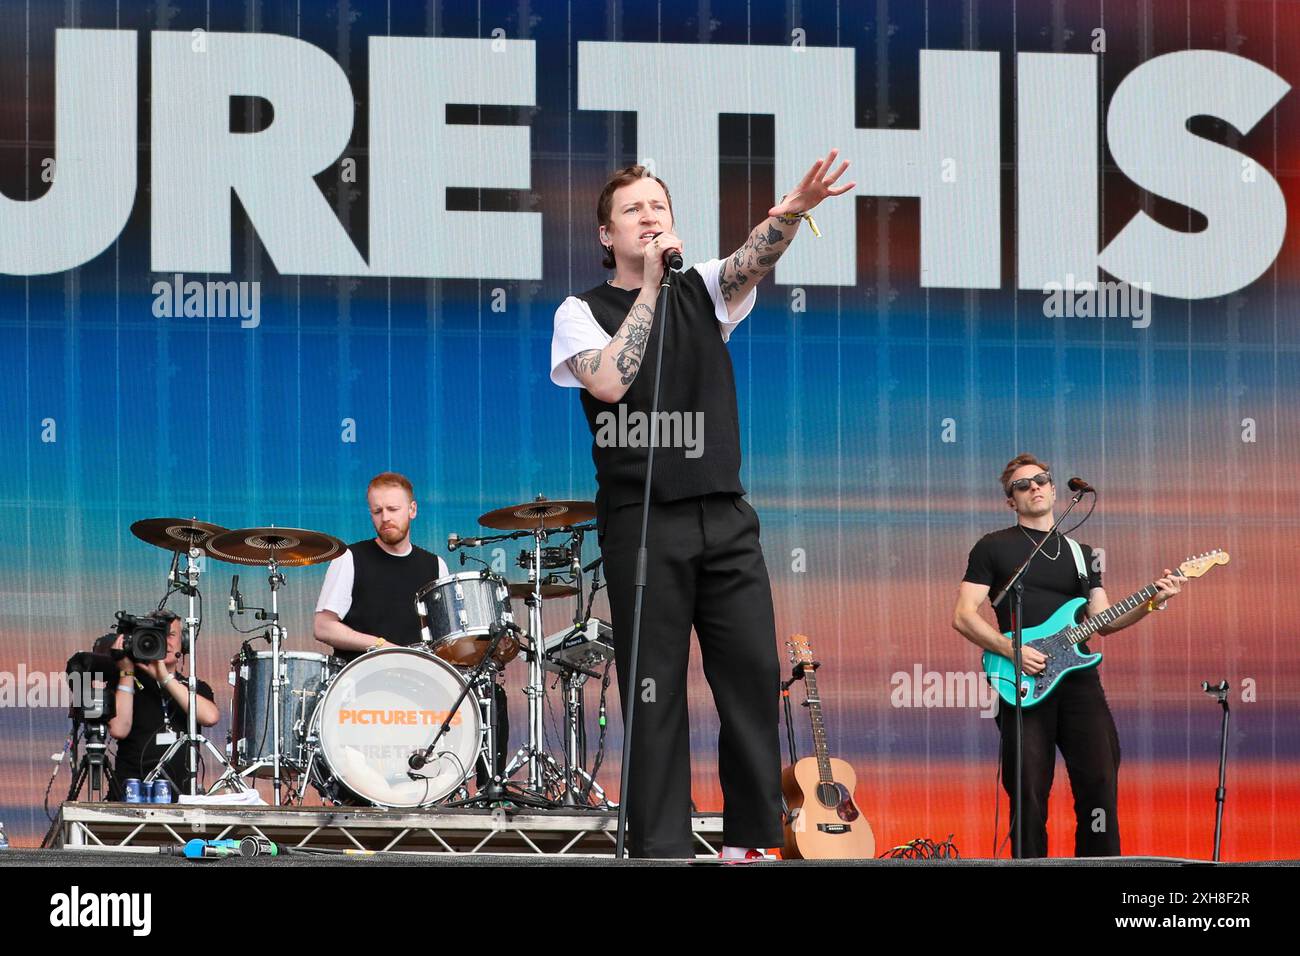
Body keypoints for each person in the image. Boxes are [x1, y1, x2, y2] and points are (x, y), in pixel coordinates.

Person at [550, 151, 855, 859]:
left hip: (724, 513)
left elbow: (753, 258)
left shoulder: (707, 288)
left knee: (749, 678)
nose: (650, 216)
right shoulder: (580, 311)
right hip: (643, 520)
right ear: (606, 234)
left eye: (659, 206)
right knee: (653, 691)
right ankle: (660, 846)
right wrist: (651, 288)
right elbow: (608, 385)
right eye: (634, 209)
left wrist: (793, 212)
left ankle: (750, 841)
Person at [952, 453, 1185, 857]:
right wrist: (1012, 649)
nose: (1035, 487)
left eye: (1041, 479)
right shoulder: (993, 547)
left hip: (1078, 683)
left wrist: (1152, 601)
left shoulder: (1081, 553)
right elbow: (962, 615)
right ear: (1012, 500)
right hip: (1021, 680)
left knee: (1099, 782)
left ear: (1055, 488)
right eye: (1023, 485)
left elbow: (1104, 620)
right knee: (1028, 791)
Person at [313, 471, 508, 785]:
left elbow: (445, 641)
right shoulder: (350, 558)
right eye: (377, 511)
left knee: (489, 694)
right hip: (363, 680)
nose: (385, 518)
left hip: (417, 684)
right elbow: (323, 627)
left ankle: (487, 792)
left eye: (393, 510)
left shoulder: (434, 566)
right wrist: (378, 645)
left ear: (412, 510)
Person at [107, 610, 219, 799]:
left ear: (183, 642)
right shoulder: (126, 682)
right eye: (157, 635)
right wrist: (126, 672)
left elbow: (210, 717)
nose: (165, 641)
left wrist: (164, 678)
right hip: (132, 796)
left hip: (182, 798)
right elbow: (119, 729)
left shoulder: (193, 687)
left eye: (171, 634)